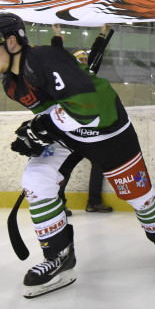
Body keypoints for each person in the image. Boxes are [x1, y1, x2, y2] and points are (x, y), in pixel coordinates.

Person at [0, 12, 155, 298]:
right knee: (37, 179)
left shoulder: (43, 58)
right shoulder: (11, 83)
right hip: (71, 132)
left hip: (108, 129)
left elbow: (89, 103)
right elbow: (52, 111)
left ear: (11, 42)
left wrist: (45, 125)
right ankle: (58, 258)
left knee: (140, 196)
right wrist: (39, 132)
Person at [51, 23, 113, 215]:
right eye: (81, 59)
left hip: (91, 129)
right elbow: (57, 55)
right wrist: (57, 35)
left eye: (86, 59)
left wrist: (103, 33)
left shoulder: (90, 73)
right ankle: (58, 203)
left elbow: (96, 53)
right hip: (73, 130)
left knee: (99, 164)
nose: (85, 61)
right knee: (67, 166)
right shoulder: (68, 75)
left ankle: (93, 202)